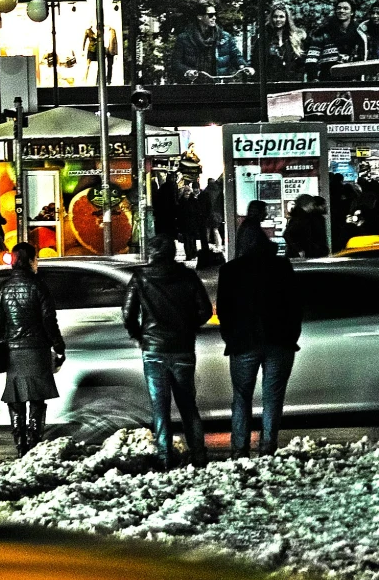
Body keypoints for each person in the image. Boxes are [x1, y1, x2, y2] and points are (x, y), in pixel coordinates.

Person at [123, 239, 215, 469]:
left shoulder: (141, 278)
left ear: (151, 253)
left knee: (160, 406)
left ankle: (164, 457)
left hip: (153, 350)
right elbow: (205, 310)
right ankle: (199, 455)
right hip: (183, 348)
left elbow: (127, 313)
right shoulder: (188, 276)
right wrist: (187, 326)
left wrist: (139, 335)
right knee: (187, 405)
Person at [218, 216, 302, 457]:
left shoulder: (230, 271)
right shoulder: (282, 267)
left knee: (242, 397)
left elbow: (224, 310)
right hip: (279, 341)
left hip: (243, 343)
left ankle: (240, 448)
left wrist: (230, 338)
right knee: (273, 397)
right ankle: (267, 446)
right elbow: (294, 306)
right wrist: (291, 334)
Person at [0, 244, 66, 455]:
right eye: (36, 259)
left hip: (13, 351)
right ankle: (34, 441)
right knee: (37, 399)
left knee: (15, 399)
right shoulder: (39, 286)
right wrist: (59, 347)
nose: (37, 263)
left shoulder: (3, 287)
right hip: (37, 349)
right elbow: (49, 320)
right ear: (30, 260)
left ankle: (20, 443)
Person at [284, 194, 330, 260]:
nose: (313, 207)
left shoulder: (299, 216)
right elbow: (288, 234)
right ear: (307, 204)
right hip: (300, 255)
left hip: (299, 254)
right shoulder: (301, 218)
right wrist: (299, 250)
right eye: (312, 204)